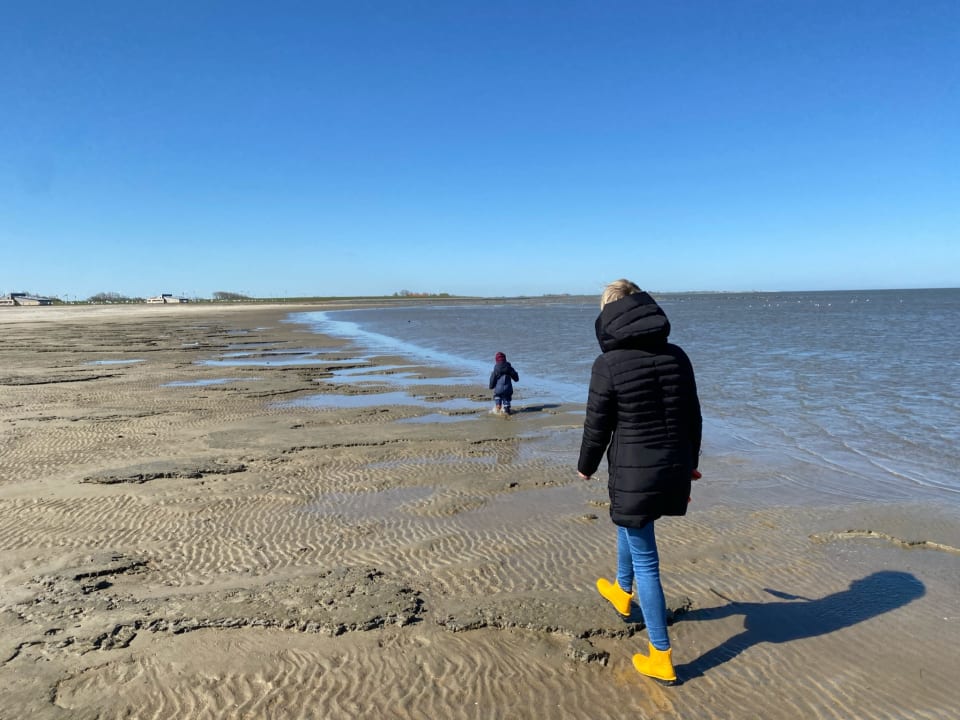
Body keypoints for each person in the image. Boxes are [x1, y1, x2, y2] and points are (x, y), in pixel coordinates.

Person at [577, 279, 702, 685]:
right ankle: (620, 588)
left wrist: (586, 465)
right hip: (674, 463)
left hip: (635, 470)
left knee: (647, 557)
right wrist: (691, 464)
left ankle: (661, 654)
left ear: (608, 316)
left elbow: (598, 423)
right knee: (630, 524)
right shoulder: (677, 356)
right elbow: (693, 418)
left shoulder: (608, 364)